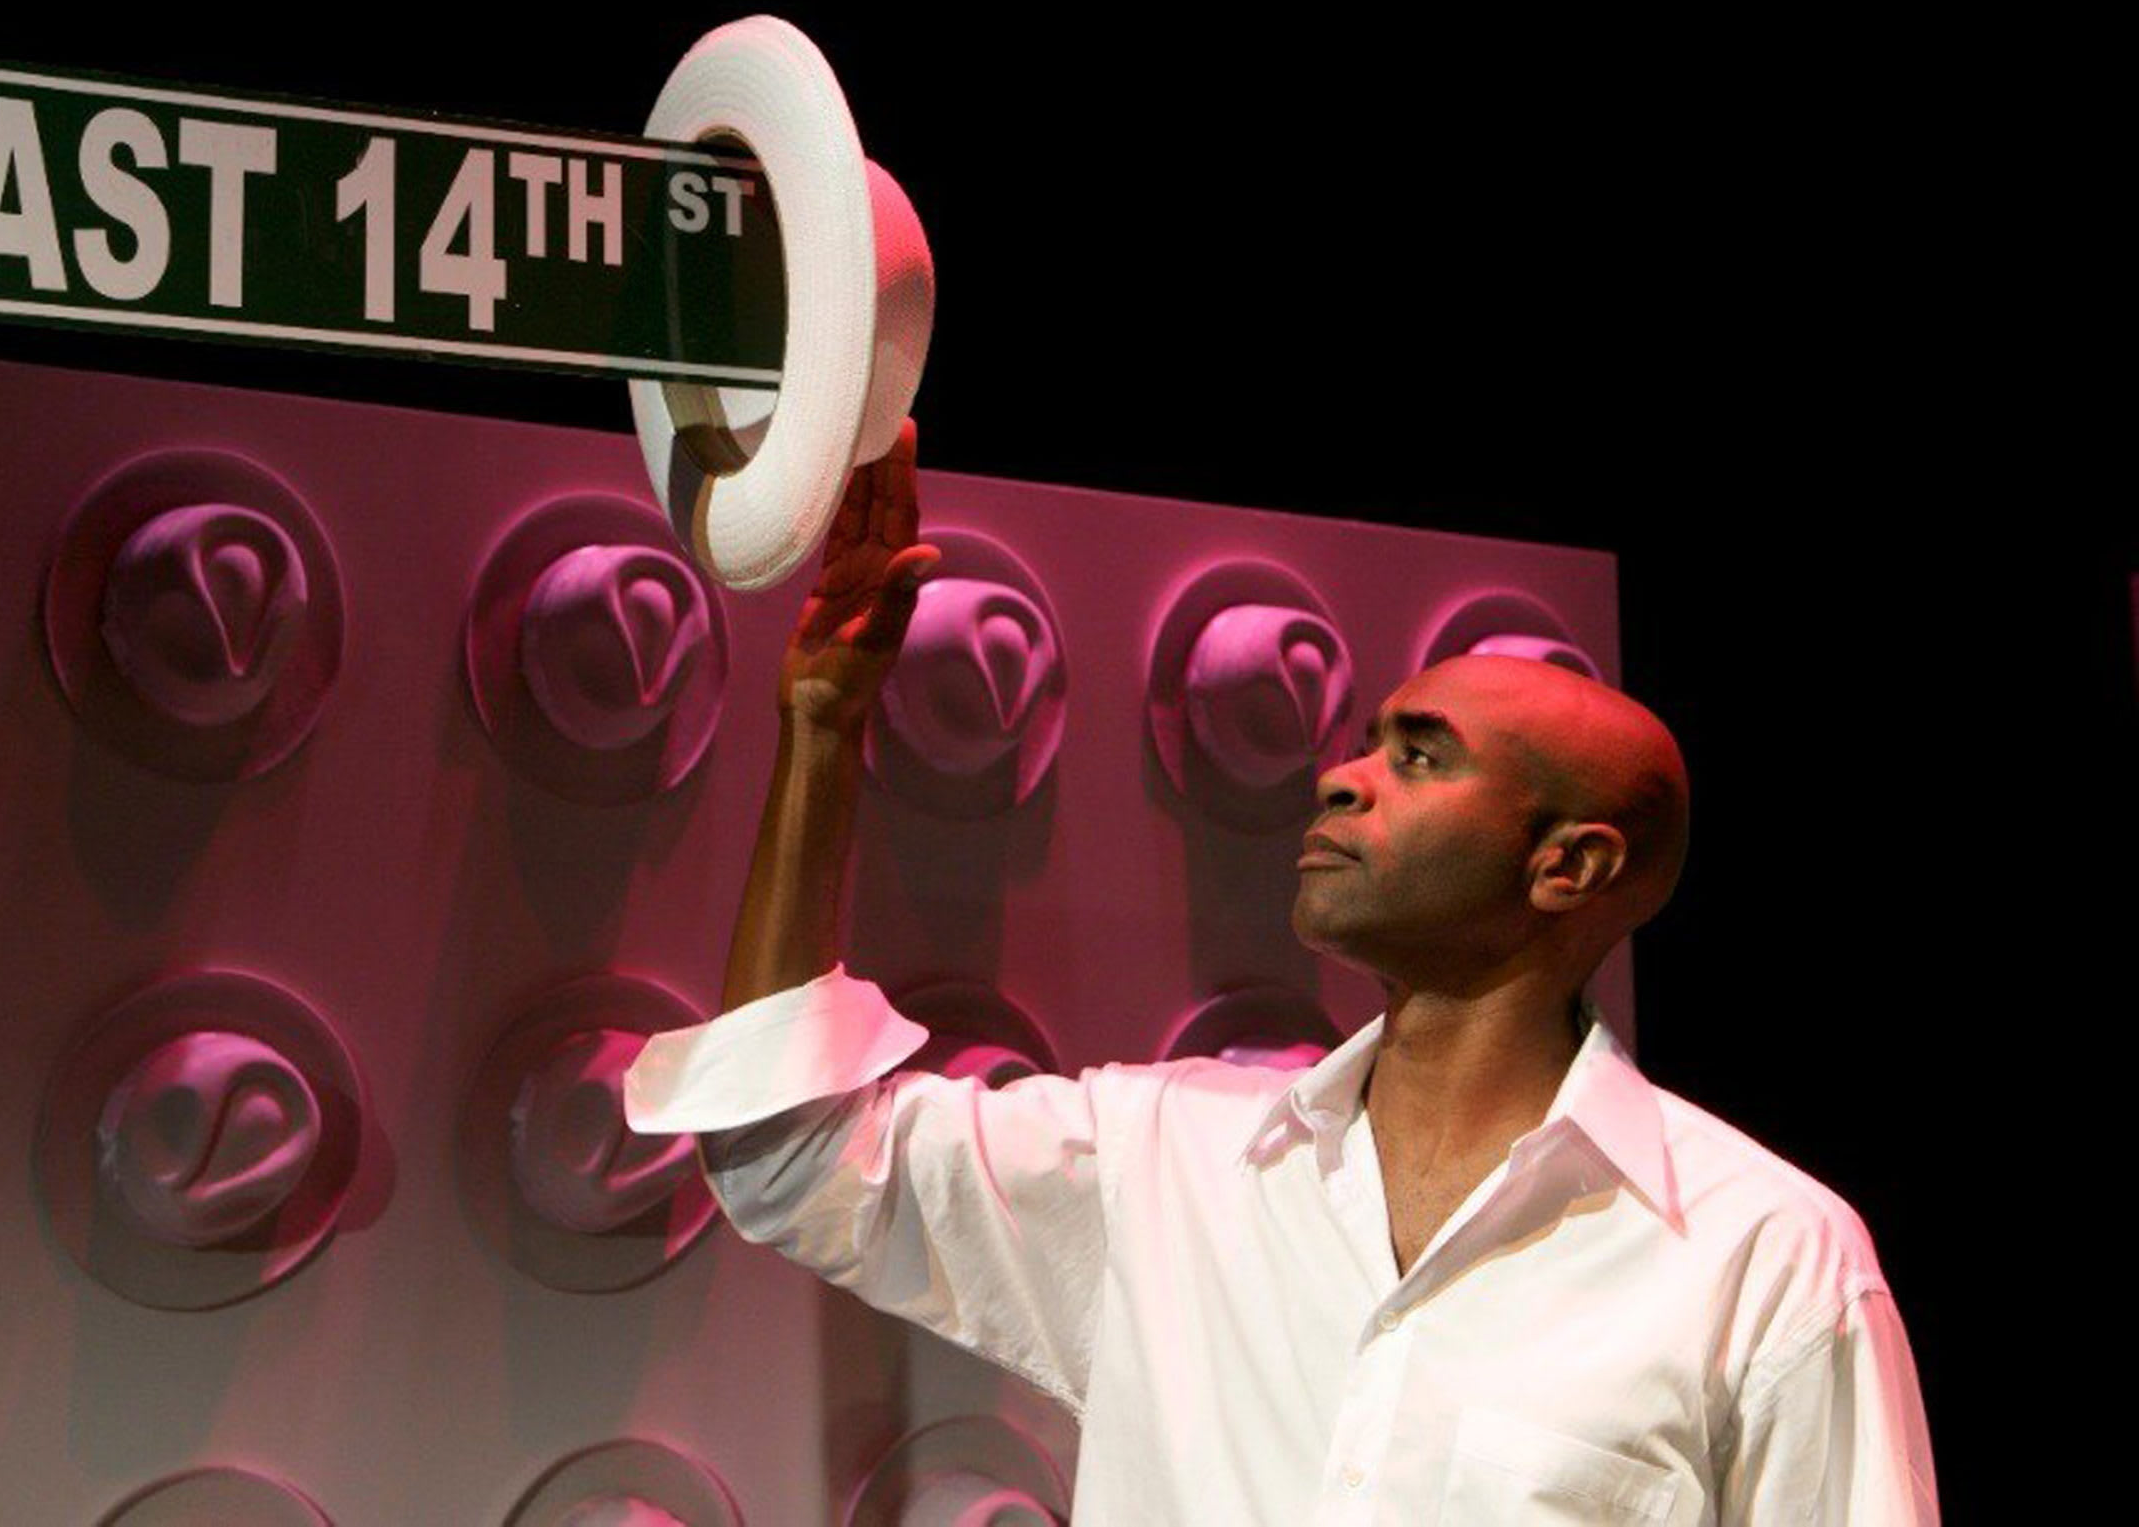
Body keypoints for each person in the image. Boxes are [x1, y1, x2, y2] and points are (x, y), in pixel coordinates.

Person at [623, 418, 1939, 1523]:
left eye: (1419, 757)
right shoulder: (1167, 1163)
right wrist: (822, 719)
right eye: (1368, 741)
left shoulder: (1766, 1260)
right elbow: (781, 1144)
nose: (1344, 775)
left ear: (1570, 866)